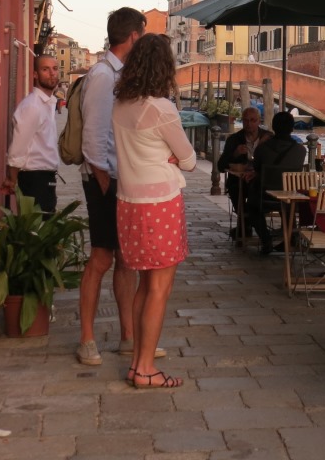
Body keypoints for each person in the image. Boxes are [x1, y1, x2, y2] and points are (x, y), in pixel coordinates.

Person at [112, 33, 196, 389]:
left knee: (143, 286)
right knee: (159, 289)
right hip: (160, 202)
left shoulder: (120, 105)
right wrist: (175, 157)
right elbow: (191, 160)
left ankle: (137, 363)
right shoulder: (161, 109)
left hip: (128, 202)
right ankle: (146, 368)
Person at [75, 7, 147, 368]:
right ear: (133, 37)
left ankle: (128, 337)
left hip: (118, 179)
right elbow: (93, 135)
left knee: (126, 259)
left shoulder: (117, 74)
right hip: (105, 180)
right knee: (101, 258)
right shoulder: (103, 76)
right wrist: (105, 181)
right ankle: (87, 339)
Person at [0, 54, 61, 216]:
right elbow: (18, 149)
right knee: (38, 231)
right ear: (35, 74)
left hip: (45, 178)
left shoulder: (47, 104)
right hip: (35, 180)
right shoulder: (32, 106)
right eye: (45, 69)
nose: (52, 73)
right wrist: (12, 180)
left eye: (55, 69)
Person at [244, 110, 307, 255]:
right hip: (290, 198)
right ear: (292, 128)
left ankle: (266, 239)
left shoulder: (262, 149)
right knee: (286, 200)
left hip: (264, 197)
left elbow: (257, 168)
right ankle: (289, 236)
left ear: (273, 127)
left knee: (251, 207)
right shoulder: (301, 151)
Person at [217, 106, 272, 242]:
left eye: (253, 120)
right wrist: (235, 154)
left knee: (259, 192)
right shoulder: (234, 139)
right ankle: (246, 223)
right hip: (239, 181)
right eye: (246, 121)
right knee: (235, 189)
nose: (249, 124)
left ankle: (248, 223)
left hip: (260, 180)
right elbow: (220, 166)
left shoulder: (268, 138)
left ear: (259, 121)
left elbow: (272, 161)